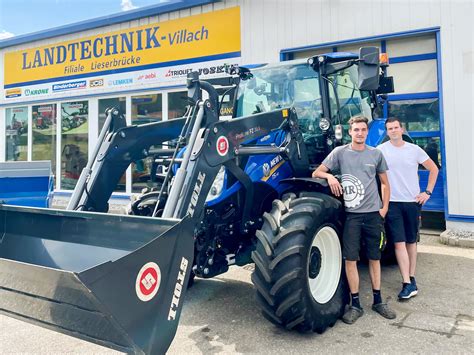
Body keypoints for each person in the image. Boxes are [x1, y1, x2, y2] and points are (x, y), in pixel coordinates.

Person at [312, 115, 396, 324]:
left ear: (367, 132)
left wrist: (384, 208)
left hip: (373, 215)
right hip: (352, 217)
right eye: (356, 130)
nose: (360, 133)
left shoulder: (375, 154)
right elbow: (317, 172)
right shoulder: (340, 153)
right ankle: (356, 304)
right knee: (351, 259)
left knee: (374, 258)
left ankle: (378, 301)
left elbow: (384, 183)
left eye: (363, 130)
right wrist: (330, 177)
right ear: (350, 132)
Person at [377, 117, 439, 301]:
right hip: (393, 203)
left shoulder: (414, 150)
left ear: (402, 129)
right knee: (398, 242)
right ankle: (405, 282)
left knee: (411, 242)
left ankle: (411, 278)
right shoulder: (381, 151)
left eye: (396, 127)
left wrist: (427, 192)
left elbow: (433, 169)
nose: (394, 130)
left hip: (412, 202)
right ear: (387, 132)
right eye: (390, 128)